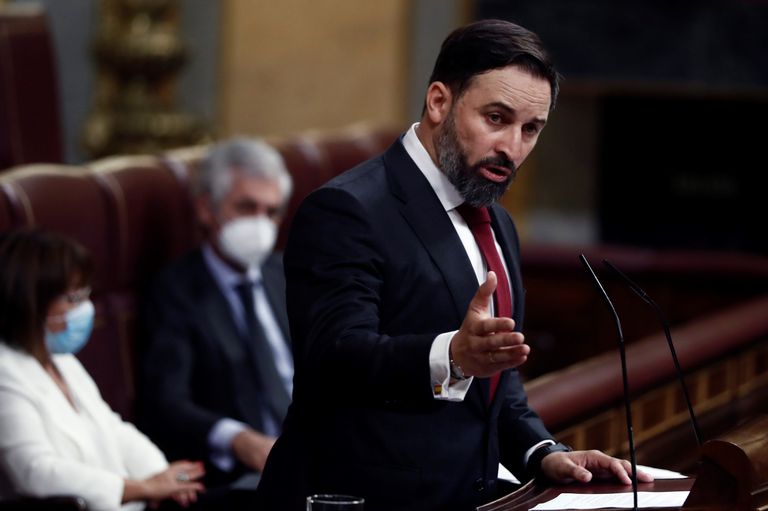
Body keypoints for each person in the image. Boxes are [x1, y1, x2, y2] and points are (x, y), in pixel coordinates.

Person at [255, 19, 653, 511]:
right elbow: (335, 358)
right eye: (496, 118)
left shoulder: (497, 222)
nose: (512, 147)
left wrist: (543, 452)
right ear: (439, 102)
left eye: (531, 129)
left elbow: (496, 380)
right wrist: (453, 357)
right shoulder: (346, 209)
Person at [0, 228, 204, 511]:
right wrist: (144, 488)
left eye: (85, 294)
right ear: (30, 304)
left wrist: (164, 477)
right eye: (72, 299)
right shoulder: (5, 371)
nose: (84, 308)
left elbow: (112, 427)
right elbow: (35, 471)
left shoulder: (61, 360)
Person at [139, 138, 294, 493]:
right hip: (240, 475)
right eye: (246, 207)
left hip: (317, 450)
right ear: (206, 209)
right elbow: (167, 401)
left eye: (271, 212)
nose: (261, 224)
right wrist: (238, 439)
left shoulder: (288, 273)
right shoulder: (175, 290)